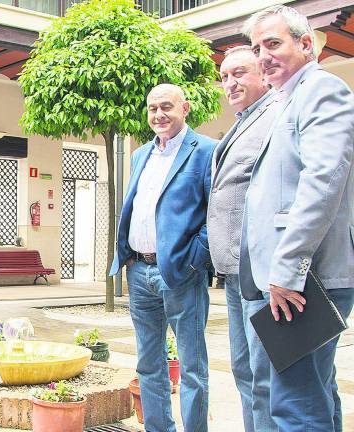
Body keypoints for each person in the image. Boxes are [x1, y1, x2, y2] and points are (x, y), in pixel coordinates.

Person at [241, 5, 354, 430]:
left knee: (295, 405)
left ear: (305, 44)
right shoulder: (287, 98)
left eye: (273, 43)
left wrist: (289, 268)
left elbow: (323, 182)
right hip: (294, 279)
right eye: (257, 48)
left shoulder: (322, 90)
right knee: (311, 395)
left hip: (307, 280)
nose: (263, 55)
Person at [110, 83, 216, 431]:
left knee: (192, 367)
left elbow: (216, 214)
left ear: (185, 108)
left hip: (181, 274)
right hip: (139, 270)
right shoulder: (141, 154)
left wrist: (193, 261)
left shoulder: (205, 151)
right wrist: (126, 258)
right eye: (153, 108)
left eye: (166, 107)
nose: (159, 114)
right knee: (148, 365)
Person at [207, 45, 278, 432]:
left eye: (239, 73)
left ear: (263, 74)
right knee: (244, 367)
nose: (229, 83)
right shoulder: (241, 122)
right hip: (234, 273)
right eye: (224, 77)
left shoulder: (276, 116)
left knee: (265, 371)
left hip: (263, 273)